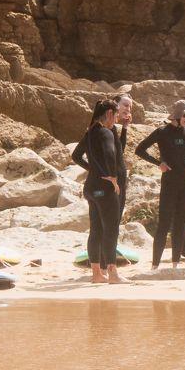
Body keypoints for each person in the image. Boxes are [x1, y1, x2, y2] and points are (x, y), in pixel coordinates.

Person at [134, 100, 185, 268]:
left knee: (180, 223)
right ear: (176, 115)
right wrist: (158, 163)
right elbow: (139, 149)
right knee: (164, 223)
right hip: (169, 183)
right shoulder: (162, 132)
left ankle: (175, 263)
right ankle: (155, 265)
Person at [72, 99, 123, 284]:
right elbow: (110, 154)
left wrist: (92, 169)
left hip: (90, 188)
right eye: (116, 115)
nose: (116, 119)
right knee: (111, 230)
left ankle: (96, 274)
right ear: (109, 113)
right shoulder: (105, 132)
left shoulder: (90, 132)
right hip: (104, 188)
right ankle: (113, 274)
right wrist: (112, 177)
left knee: (95, 231)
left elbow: (75, 155)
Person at [113, 93, 135, 227]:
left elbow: (120, 150)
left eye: (130, 107)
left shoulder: (114, 128)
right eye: (126, 105)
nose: (128, 109)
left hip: (120, 178)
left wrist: (125, 127)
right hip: (111, 179)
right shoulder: (105, 128)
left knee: (117, 216)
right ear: (116, 105)